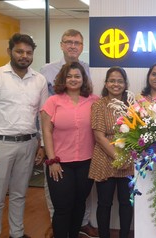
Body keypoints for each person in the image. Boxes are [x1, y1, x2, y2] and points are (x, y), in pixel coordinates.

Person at [0, 33, 48, 238]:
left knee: (19, 194)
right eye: (19, 51)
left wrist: (41, 145)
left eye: (28, 52)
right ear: (10, 52)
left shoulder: (39, 80)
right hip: (0, 145)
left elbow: (43, 114)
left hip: (28, 144)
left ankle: (17, 233)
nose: (24, 56)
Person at [40, 29, 98, 238]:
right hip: (60, 164)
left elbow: (109, 112)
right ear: (64, 79)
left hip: (85, 163)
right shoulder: (52, 101)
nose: (74, 79)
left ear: (84, 79)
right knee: (63, 208)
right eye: (70, 76)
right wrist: (52, 159)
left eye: (78, 76)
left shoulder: (93, 100)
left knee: (79, 204)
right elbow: (46, 130)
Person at [88, 66, 134, 238]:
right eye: (112, 80)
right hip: (105, 158)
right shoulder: (99, 105)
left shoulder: (132, 105)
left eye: (120, 81)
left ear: (125, 84)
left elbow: (137, 133)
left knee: (126, 203)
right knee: (104, 203)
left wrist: (124, 158)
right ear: (106, 84)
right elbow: (99, 136)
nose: (116, 84)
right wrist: (117, 157)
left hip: (128, 158)